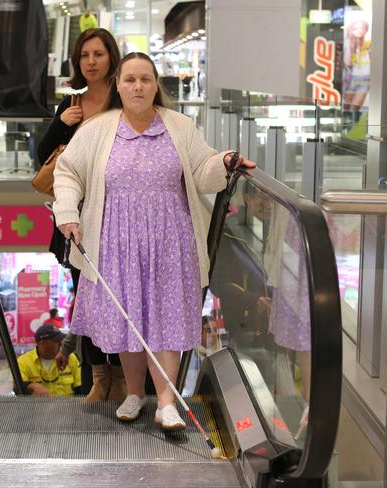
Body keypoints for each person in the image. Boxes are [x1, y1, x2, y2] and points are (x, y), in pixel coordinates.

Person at [53, 52, 256, 430]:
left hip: (170, 239)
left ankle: (166, 402)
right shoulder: (98, 129)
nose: (138, 87)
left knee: (167, 317)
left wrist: (224, 161)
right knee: (129, 316)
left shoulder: (179, 126)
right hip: (117, 240)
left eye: (145, 79)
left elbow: (202, 170)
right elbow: (68, 172)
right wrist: (67, 211)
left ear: (155, 85)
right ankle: (134, 393)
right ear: (118, 84)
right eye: (130, 79)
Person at [37, 27, 126, 403]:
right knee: (85, 300)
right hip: (78, 220)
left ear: (111, 58)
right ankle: (99, 379)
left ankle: (123, 380)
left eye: (98, 54)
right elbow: (43, 156)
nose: (91, 62)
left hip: (119, 216)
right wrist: (63, 124)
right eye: (85, 55)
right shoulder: (71, 102)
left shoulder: (124, 100)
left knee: (121, 298)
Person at [17, 324, 81, 397]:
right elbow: (17, 388)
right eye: (56, 340)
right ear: (42, 343)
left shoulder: (70, 357)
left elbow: (80, 388)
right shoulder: (23, 362)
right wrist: (31, 386)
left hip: (68, 407)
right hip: (37, 408)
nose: (61, 343)